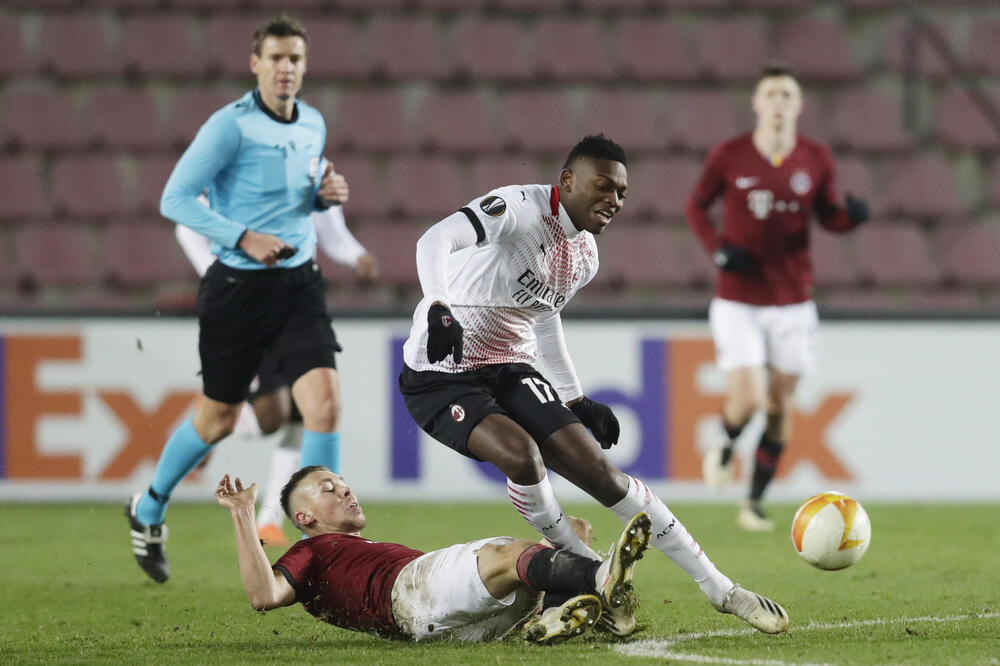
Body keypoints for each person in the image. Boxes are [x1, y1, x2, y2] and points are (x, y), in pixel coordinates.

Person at [397, 134, 789, 637]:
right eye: (603, 187)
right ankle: (590, 570)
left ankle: (722, 590)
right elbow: (433, 240)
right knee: (522, 456)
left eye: (622, 194)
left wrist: (574, 395)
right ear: (567, 180)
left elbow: (543, 319)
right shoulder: (517, 207)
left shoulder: (585, 256)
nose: (614, 201)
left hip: (510, 366)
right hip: (441, 373)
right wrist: (437, 306)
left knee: (604, 475)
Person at [126, 13, 350, 582]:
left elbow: (294, 201)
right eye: (275, 58)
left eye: (294, 58)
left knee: (324, 405)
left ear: (304, 65)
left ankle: (331, 547)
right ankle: (149, 504)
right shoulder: (230, 126)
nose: (285, 68)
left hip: (300, 286)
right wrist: (241, 236)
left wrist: (323, 198)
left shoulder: (313, 125)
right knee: (219, 419)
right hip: (237, 291)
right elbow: (174, 199)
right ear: (256, 65)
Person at [685, 63, 870, 532]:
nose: (779, 103)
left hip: (792, 300)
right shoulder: (730, 155)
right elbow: (695, 205)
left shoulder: (816, 157)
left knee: (781, 406)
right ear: (757, 103)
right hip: (738, 300)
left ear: (799, 105)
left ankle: (754, 503)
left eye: (788, 95)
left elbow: (828, 216)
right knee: (748, 401)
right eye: (771, 94)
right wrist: (718, 250)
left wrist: (850, 218)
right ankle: (725, 445)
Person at [215, 466, 652, 644]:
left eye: (342, 481)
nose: (345, 488)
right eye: (328, 488)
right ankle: (601, 581)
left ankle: (554, 617)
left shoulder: (352, 550)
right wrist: (242, 516)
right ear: (305, 516)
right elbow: (263, 595)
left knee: (572, 529)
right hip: (405, 594)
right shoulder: (311, 550)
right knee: (504, 554)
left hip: (449, 630)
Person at [175, 195, 378, 547]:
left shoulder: (312, 176)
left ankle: (270, 522)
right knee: (271, 415)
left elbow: (332, 230)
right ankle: (208, 417)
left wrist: (354, 254)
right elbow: (186, 225)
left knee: (303, 415)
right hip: (244, 313)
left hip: (295, 308)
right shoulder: (241, 174)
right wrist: (220, 274)